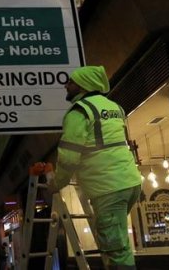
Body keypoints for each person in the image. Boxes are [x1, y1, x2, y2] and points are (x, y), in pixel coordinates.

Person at [47, 65, 142, 270]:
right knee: (117, 241)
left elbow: (68, 158)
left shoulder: (79, 112)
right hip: (130, 182)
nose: (66, 85)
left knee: (116, 250)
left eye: (71, 82)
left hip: (108, 187)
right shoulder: (114, 107)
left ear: (83, 85)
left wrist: (57, 183)